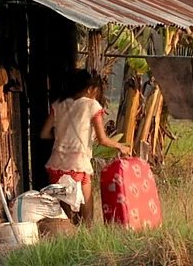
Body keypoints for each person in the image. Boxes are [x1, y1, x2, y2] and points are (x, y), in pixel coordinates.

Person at [40, 69, 130, 224]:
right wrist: (121, 146)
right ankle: (88, 233)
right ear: (89, 89)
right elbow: (102, 139)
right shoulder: (92, 106)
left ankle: (68, 232)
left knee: (65, 210)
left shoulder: (58, 104)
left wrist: (63, 138)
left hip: (56, 163)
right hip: (78, 164)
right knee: (86, 208)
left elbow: (44, 134)